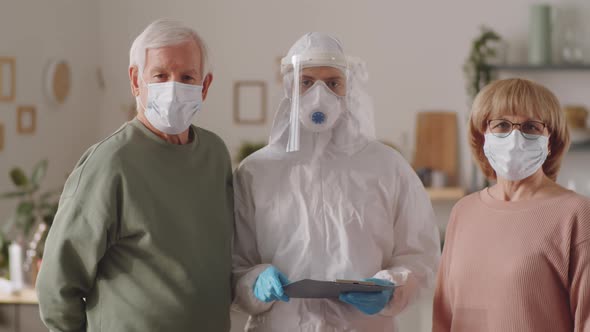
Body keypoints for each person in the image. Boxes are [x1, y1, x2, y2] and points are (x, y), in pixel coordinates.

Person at [232, 32, 440, 331]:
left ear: (348, 87)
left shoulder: (387, 166)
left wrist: (390, 287)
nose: (320, 94)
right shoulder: (255, 171)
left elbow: (421, 256)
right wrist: (254, 282)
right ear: (289, 87)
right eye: (306, 82)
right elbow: (234, 264)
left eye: (332, 83)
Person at [36, 19, 234, 331]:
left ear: (205, 85)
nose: (173, 87)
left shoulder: (215, 154)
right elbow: (56, 287)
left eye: (186, 77)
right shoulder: (110, 163)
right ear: (135, 80)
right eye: (160, 75)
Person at [433, 78, 590, 331]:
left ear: (551, 141)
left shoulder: (576, 214)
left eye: (531, 126)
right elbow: (444, 316)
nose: (515, 137)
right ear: (482, 134)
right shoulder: (464, 211)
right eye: (502, 124)